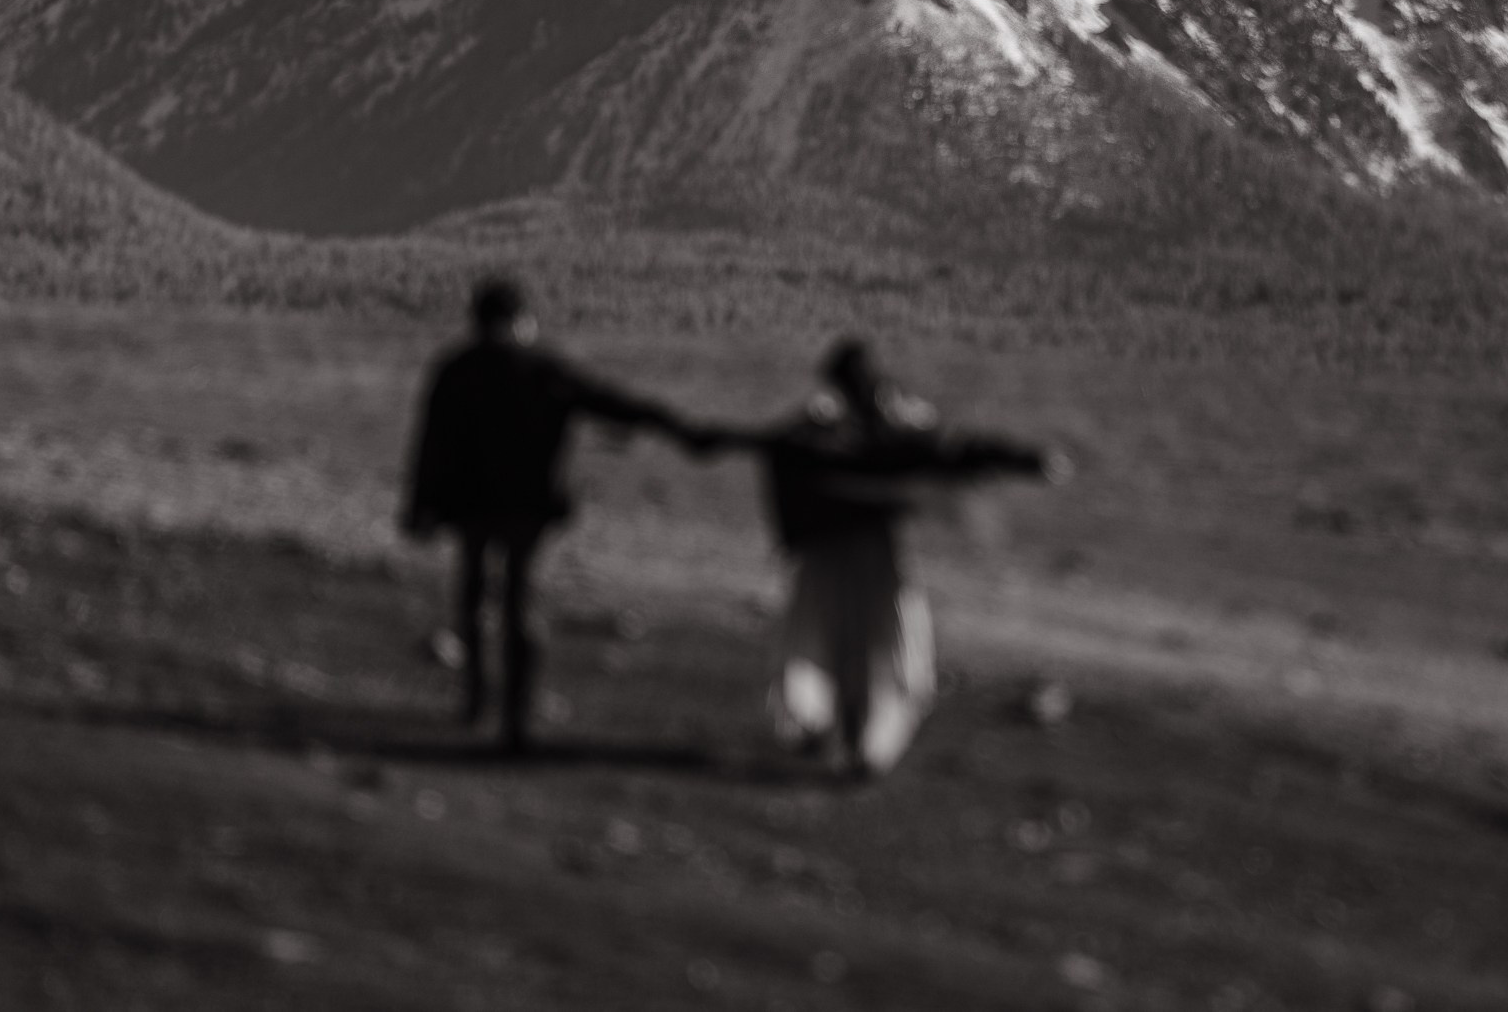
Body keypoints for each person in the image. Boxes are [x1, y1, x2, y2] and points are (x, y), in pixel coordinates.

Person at [695, 339, 1066, 778]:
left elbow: (946, 450)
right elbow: (944, 452)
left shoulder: (879, 426)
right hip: (835, 552)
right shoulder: (827, 430)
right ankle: (839, 735)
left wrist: (1020, 459)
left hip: (860, 551)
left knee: (869, 643)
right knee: (848, 643)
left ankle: (857, 742)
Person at [401, 276, 692, 753]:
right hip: (528, 506)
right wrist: (672, 424)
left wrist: (419, 507)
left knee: (472, 592)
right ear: (521, 318)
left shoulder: (454, 369)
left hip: (469, 505)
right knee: (520, 601)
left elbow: (429, 443)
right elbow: (606, 401)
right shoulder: (542, 368)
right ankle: (517, 718)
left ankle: (475, 700)